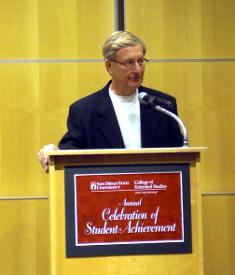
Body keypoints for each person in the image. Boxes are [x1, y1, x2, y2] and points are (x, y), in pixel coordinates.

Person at [38, 31, 183, 172]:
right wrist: (52, 152)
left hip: (154, 190)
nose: (138, 69)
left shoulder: (163, 106)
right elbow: (70, 153)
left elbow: (180, 156)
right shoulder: (85, 111)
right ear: (109, 66)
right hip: (107, 192)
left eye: (140, 61)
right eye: (129, 62)